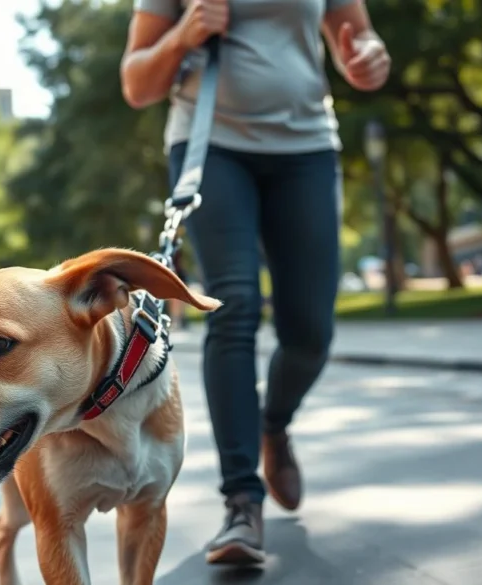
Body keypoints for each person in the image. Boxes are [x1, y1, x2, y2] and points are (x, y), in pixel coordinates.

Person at [121, 0, 391, 564]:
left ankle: (274, 423)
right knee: (234, 301)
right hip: (211, 143)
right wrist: (182, 37)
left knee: (310, 331)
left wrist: (367, 58)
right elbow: (136, 83)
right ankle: (242, 500)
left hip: (308, 147)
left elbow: (362, 40)